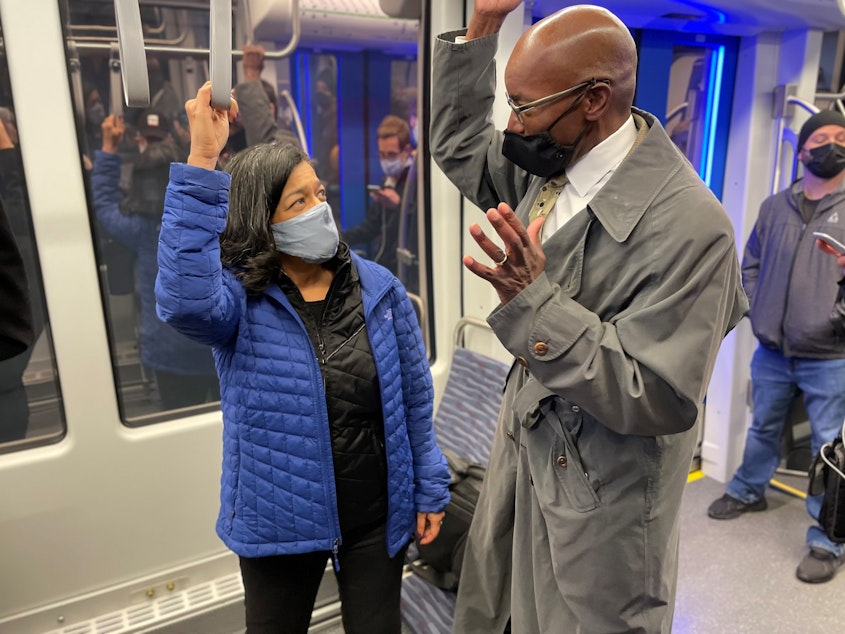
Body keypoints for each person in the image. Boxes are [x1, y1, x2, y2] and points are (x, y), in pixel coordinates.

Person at [429, 3, 747, 632]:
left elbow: (656, 392)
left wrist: (532, 303)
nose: (513, 125)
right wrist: (482, 31)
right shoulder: (544, 166)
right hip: (523, 454)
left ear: (595, 99)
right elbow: (460, 141)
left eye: (525, 107)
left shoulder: (690, 227)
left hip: (604, 491)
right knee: (499, 608)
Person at [155, 82, 450, 633]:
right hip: (277, 520)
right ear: (264, 220)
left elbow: (413, 400)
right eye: (299, 201)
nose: (319, 209)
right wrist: (202, 159)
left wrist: (429, 487)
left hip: (375, 517)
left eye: (319, 194)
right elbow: (182, 300)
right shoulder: (238, 301)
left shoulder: (380, 291)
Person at [707, 110, 845, 584]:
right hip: (771, 349)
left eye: (840, 138)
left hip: (831, 355)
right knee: (763, 427)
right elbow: (750, 265)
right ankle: (749, 491)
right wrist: (757, 309)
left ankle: (829, 539)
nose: (831, 144)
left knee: (831, 448)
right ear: (803, 150)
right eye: (821, 138)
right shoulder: (773, 206)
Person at [93, 114, 220, 410]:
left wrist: (108, 148)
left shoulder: (139, 229)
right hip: (215, 346)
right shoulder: (211, 220)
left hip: (167, 353)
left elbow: (103, 203)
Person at [343, 115, 416, 278]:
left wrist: (399, 206)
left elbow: (421, 230)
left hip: (410, 270)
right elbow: (370, 227)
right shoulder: (388, 182)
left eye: (391, 155)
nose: (385, 161)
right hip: (388, 267)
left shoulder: (417, 183)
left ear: (406, 151)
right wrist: (338, 240)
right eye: (381, 155)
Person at [234, 44, 301, 149]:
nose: (238, 114)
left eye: (245, 109)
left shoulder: (285, 145)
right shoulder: (237, 142)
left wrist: (251, 73)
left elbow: (264, 146)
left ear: (271, 109)